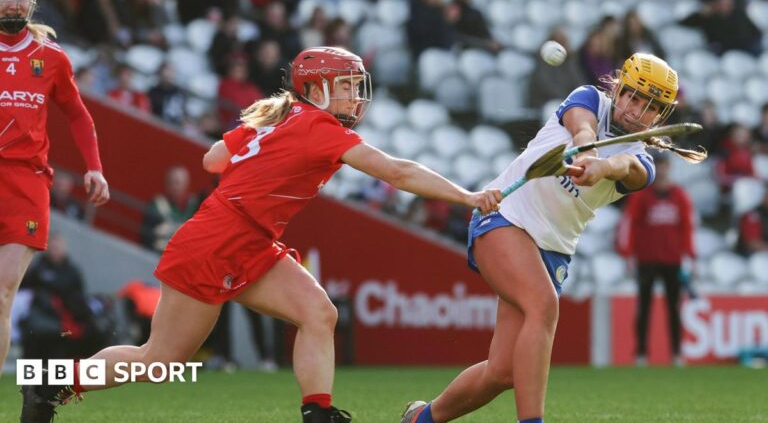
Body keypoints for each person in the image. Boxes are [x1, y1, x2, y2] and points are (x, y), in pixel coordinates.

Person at [20, 46, 501, 423]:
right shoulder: (318, 127)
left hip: (247, 238)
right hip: (218, 241)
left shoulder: (281, 118)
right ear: (315, 90)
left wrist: (260, 146)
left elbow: (212, 160)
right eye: (346, 87)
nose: (356, 97)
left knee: (318, 313)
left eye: (357, 86)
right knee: (159, 361)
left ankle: (318, 412)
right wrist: (467, 196)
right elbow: (397, 172)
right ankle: (50, 383)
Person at [400, 53, 706, 423]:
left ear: (660, 116)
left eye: (649, 107)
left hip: (551, 252)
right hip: (505, 217)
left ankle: (420, 419)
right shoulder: (589, 98)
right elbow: (582, 126)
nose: (636, 110)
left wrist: (602, 167)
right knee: (544, 306)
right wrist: (587, 148)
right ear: (619, 88)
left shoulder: (643, 161)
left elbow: (624, 167)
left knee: (502, 372)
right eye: (632, 96)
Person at [0, 0, 109, 378]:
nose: (14, 4)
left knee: (3, 293)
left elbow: (77, 114)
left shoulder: (51, 57)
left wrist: (94, 167)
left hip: (26, 183)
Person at [616, 153, 696, 367]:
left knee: (674, 308)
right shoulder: (641, 195)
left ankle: (677, 353)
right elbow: (630, 225)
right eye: (658, 165)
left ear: (669, 167)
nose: (661, 170)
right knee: (644, 308)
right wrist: (628, 254)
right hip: (646, 259)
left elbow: (687, 228)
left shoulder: (680, 196)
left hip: (672, 259)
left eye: (664, 165)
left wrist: (690, 255)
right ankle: (641, 353)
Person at [139, 165, 201, 253]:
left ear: (186, 184)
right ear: (167, 183)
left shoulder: (195, 206)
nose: (176, 186)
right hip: (158, 255)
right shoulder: (157, 204)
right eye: (172, 182)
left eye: (178, 183)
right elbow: (145, 236)